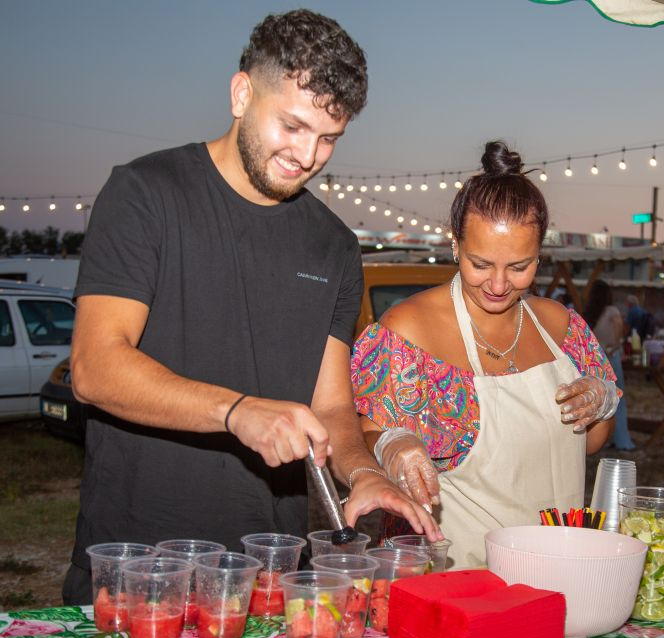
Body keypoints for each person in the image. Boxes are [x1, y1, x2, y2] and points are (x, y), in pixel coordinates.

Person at [63, 9, 439, 605]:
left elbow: (333, 406)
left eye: (328, 138)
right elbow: (95, 367)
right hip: (138, 566)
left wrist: (364, 472)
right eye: (291, 126)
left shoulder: (335, 245)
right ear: (242, 93)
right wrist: (238, 412)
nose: (308, 155)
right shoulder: (144, 194)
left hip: (270, 571)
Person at [351, 141, 619, 568]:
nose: (498, 284)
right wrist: (392, 444)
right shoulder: (407, 330)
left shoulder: (562, 327)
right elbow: (363, 435)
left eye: (519, 267)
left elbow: (592, 443)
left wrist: (600, 402)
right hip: (453, 575)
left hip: (560, 568)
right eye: (481, 264)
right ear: (455, 244)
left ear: (540, 255)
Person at [584, 280, 636, 451]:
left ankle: (600, 438)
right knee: (617, 399)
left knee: (599, 400)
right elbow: (619, 328)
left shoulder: (591, 313)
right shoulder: (612, 311)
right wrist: (616, 344)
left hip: (595, 361)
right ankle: (621, 440)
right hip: (611, 358)